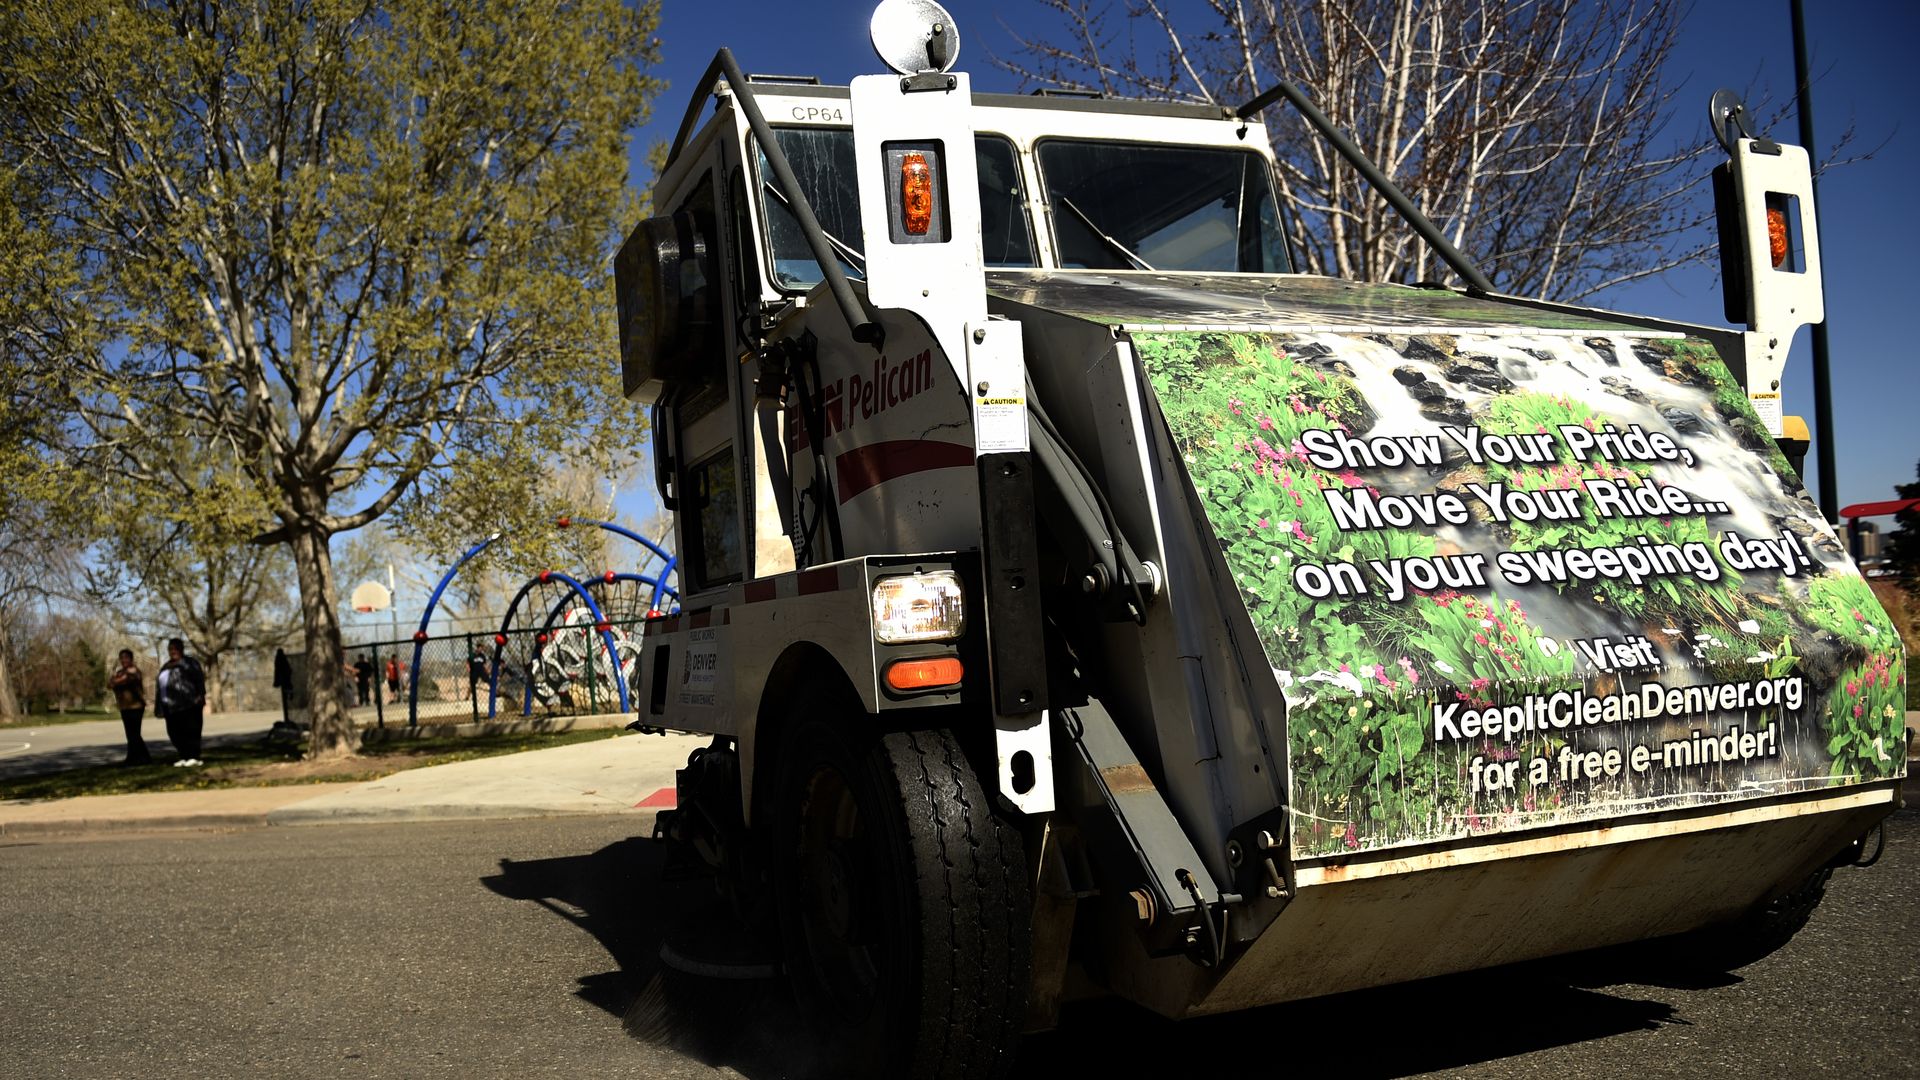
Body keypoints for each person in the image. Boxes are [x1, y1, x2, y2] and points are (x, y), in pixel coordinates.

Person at [155, 638, 206, 767]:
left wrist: (200, 696)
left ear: (182, 649)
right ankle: (184, 756)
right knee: (174, 733)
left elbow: (199, 680)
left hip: (189, 704)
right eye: (170, 649)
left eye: (176, 649)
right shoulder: (166, 666)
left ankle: (194, 756)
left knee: (191, 731)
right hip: (170, 706)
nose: (173, 651)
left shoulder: (190, 663)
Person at [107, 649, 152, 766]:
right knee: (130, 734)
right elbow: (109, 685)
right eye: (121, 658)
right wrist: (115, 680)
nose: (123, 660)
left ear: (131, 659)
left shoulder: (135, 671)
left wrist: (116, 680)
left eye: (126, 657)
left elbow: (123, 680)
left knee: (134, 734)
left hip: (136, 706)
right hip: (124, 707)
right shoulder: (120, 672)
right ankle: (137, 757)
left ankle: (139, 758)